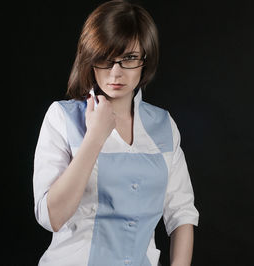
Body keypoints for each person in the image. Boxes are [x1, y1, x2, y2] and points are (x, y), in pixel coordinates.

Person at [32, 1, 199, 265]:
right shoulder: (61, 118)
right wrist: (95, 137)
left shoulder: (163, 125)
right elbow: (51, 217)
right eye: (105, 59)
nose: (115, 73)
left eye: (130, 58)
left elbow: (182, 214)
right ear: (90, 59)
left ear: (146, 59)